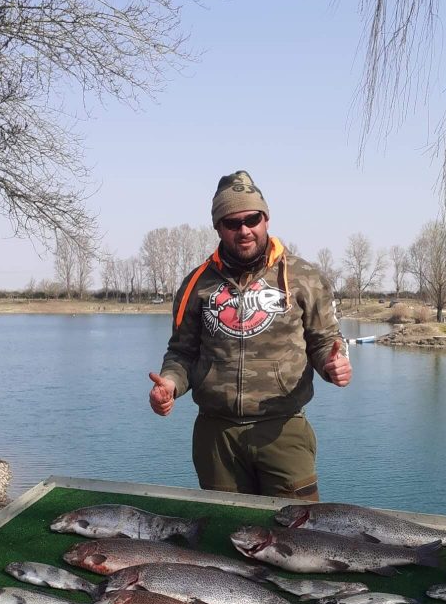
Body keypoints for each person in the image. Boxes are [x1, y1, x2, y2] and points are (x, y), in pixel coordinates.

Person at [149, 170, 352, 500]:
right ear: (218, 227)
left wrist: (334, 366)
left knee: (297, 534)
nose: (244, 230)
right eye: (232, 223)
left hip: (283, 429)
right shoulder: (196, 283)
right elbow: (182, 352)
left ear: (265, 219)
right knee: (225, 534)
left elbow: (324, 340)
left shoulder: (303, 276)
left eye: (252, 219)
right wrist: (170, 384)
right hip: (217, 436)